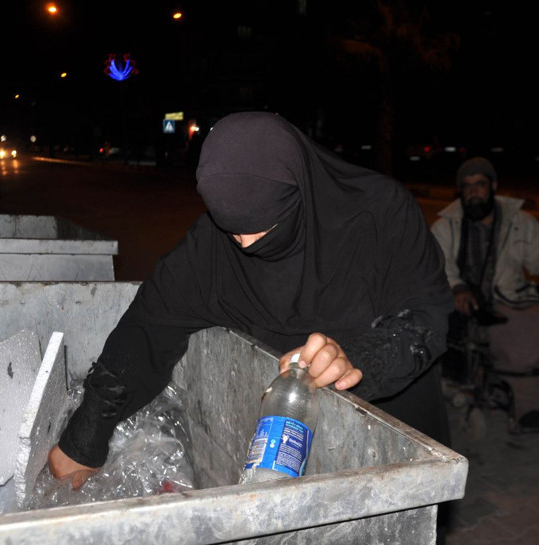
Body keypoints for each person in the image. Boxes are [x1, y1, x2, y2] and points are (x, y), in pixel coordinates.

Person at [48, 111, 453, 489]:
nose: (246, 244)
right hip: (282, 450)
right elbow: (146, 327)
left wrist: (357, 357)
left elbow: (426, 318)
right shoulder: (212, 247)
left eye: (268, 228)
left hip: (388, 444)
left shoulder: (380, 214)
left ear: (302, 190)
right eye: (233, 231)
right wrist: (85, 438)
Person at [430, 156, 539, 433]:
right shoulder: (445, 226)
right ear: (460, 191)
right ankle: (527, 408)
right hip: (466, 303)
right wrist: (457, 286)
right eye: (468, 186)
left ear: (493, 186)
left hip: (509, 296)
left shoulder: (520, 222)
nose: (474, 192)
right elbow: (437, 266)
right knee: (516, 335)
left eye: (480, 184)